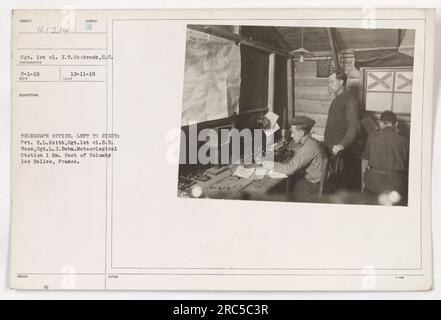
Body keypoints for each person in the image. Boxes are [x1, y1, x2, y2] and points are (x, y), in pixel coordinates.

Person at [264, 116, 325, 201]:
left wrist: (271, 164)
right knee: (291, 179)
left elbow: (289, 169)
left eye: (293, 132)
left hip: (312, 187)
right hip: (317, 181)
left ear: (302, 133)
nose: (292, 135)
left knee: (282, 186)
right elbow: (302, 153)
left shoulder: (308, 148)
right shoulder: (310, 142)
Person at [362, 111, 409, 201]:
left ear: (381, 123)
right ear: (396, 124)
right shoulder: (404, 140)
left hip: (373, 183)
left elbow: (366, 156)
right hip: (396, 185)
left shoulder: (372, 136)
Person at [324, 70, 361, 154]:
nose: (329, 85)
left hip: (339, 150)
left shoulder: (350, 100)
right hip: (330, 147)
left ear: (341, 82)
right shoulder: (336, 100)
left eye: (332, 82)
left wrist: (342, 145)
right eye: (328, 82)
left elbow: (354, 127)